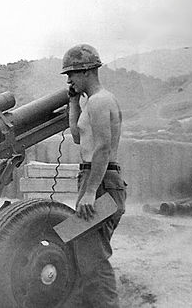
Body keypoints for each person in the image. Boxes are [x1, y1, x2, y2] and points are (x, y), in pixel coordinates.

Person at [61, 44, 126, 308]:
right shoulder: (90, 103)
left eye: (72, 74)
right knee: (83, 252)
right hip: (94, 179)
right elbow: (77, 136)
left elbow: (102, 148)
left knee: (93, 260)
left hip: (100, 182)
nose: (69, 80)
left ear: (87, 71)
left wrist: (89, 192)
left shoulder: (100, 101)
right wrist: (74, 102)